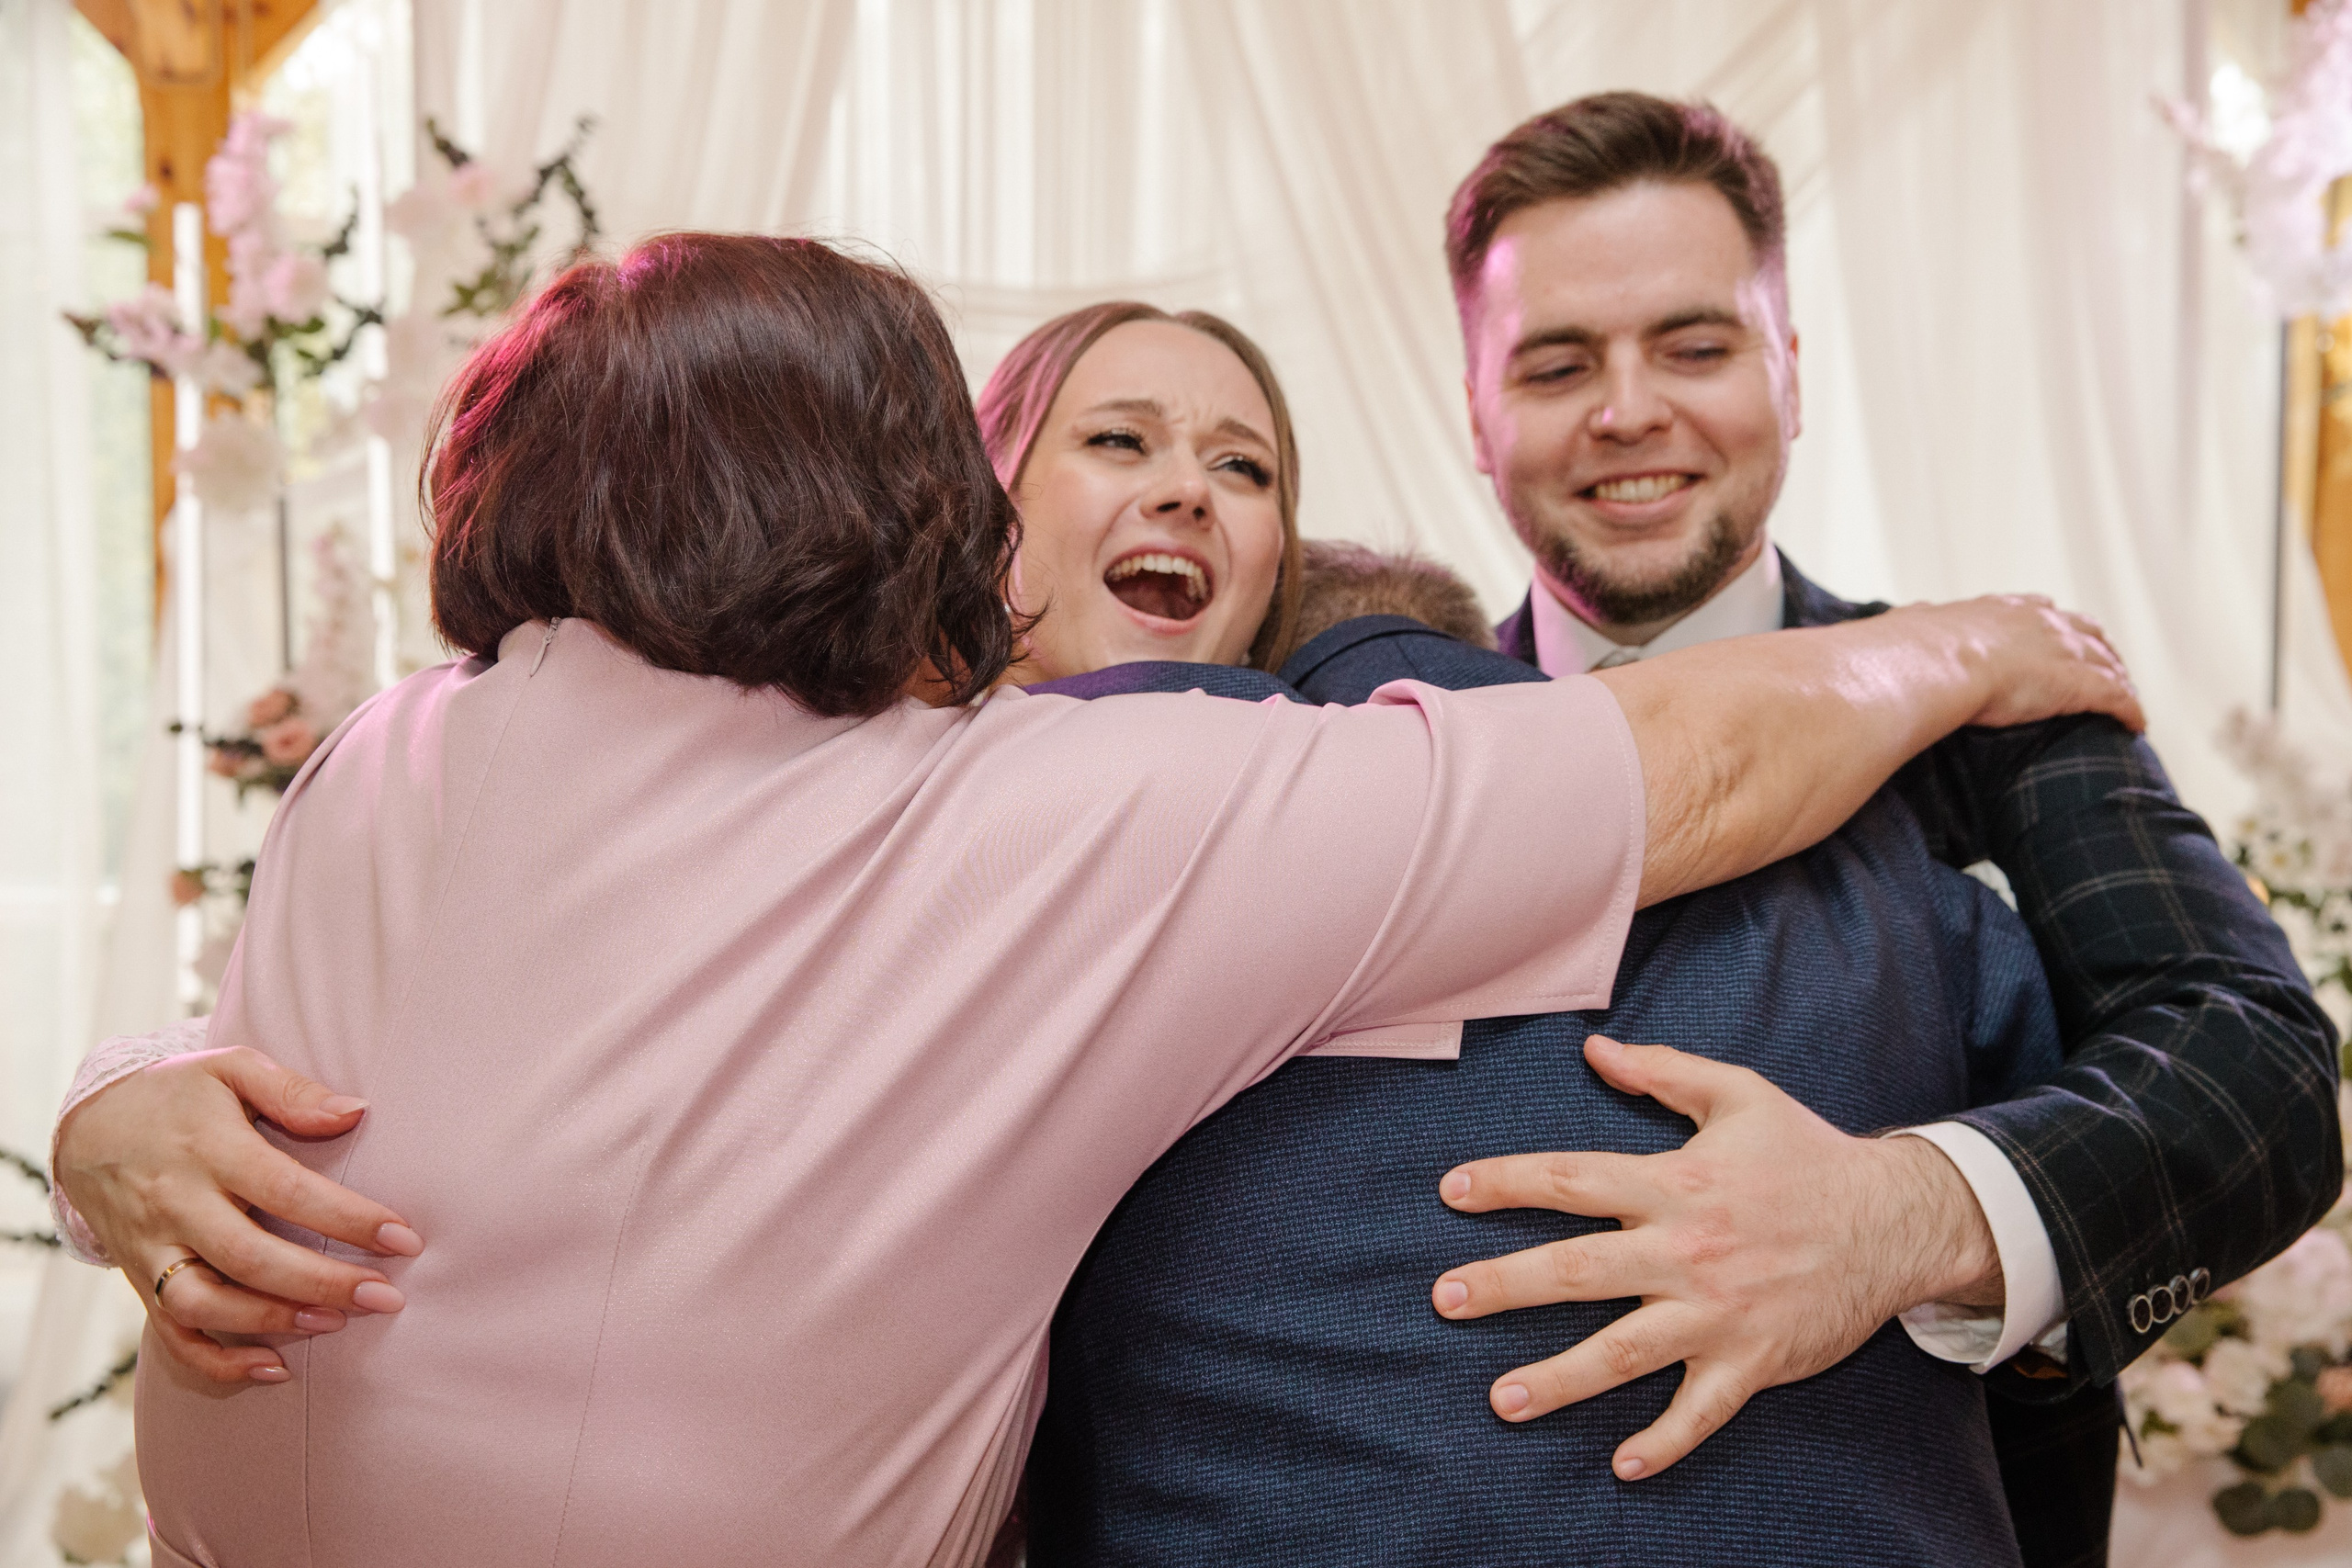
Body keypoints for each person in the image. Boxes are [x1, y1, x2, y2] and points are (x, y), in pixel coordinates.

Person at [48, 231, 2136, 1568]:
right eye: (1109, 436)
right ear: (963, 505)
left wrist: (117, 1098)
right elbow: (1682, 765)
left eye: (1240, 459)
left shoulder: (400, 742)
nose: (1181, 491)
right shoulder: (1072, 809)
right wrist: (1967, 639)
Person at [1027, 92, 2329, 1568]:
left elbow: (2256, 1065)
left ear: (1790, 371)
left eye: (1695, 348)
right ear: (1475, 410)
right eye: (1561, 362)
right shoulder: (1370, 734)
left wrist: (1901, 1216)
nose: (1628, 409)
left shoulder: (2000, 691)